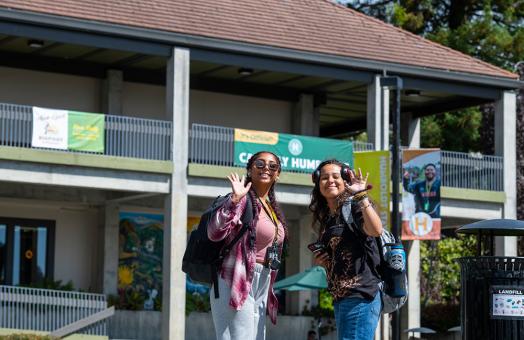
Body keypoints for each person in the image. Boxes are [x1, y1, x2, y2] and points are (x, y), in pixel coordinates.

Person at [208, 151, 287, 340]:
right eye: (260, 164)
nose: (266, 168)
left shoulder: (270, 208)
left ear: (278, 174)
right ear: (250, 170)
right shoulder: (241, 198)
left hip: (263, 279)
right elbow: (214, 231)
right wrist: (234, 201)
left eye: (272, 166)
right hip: (236, 277)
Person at [309, 159, 383, 340]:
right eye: (324, 177)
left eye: (336, 176)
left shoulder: (354, 206)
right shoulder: (329, 218)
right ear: (318, 183)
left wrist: (361, 196)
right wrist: (321, 261)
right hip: (341, 296)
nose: (330, 181)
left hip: (360, 293)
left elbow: (375, 230)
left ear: (345, 181)